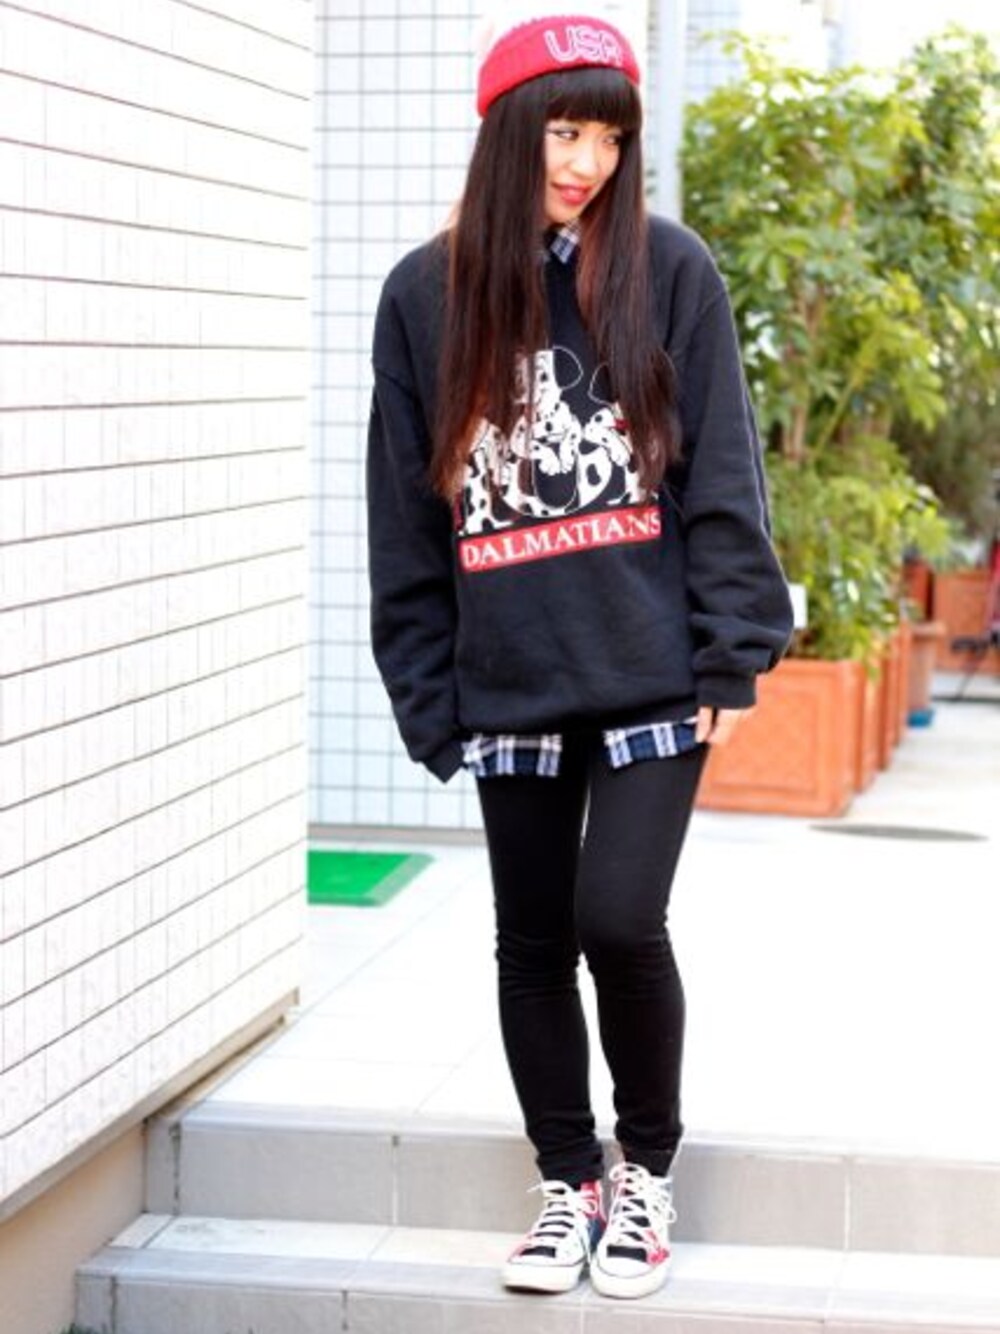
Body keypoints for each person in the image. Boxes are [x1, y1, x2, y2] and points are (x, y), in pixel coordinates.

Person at [366, 6, 793, 1301]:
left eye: (609, 137)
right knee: (531, 939)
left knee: (619, 915)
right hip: (511, 676)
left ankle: (645, 1167)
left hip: (652, 666)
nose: (588, 161)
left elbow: (723, 468)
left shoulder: (670, 269)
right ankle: (571, 1181)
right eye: (564, 131)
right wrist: (426, 688)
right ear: (510, 133)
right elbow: (404, 513)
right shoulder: (424, 297)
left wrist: (733, 650)